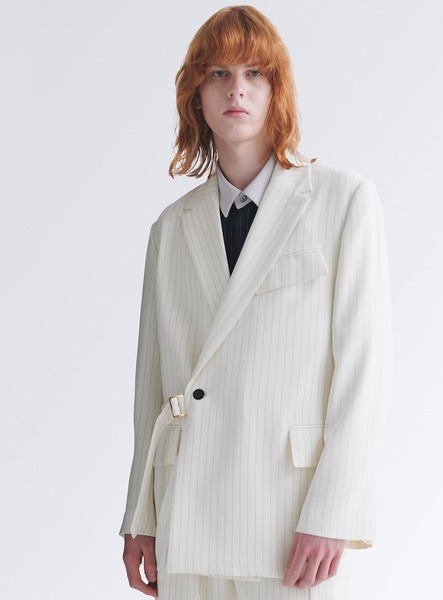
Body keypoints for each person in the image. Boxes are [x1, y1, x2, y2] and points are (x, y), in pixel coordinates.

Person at [120, 5, 392, 599]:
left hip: (288, 516)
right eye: (217, 73)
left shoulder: (342, 201)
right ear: (196, 95)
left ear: (276, 90)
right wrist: (141, 518)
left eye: (254, 73)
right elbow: (151, 387)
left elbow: (363, 370)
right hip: (187, 509)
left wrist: (334, 511)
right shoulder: (171, 228)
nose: (235, 89)